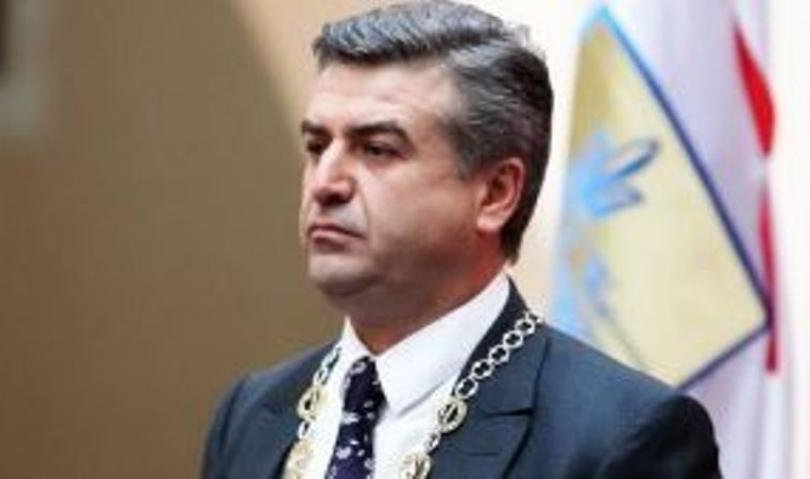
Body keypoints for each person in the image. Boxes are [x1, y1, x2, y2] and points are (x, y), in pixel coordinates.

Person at [202, 1, 721, 478]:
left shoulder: (624, 436)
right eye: (318, 146)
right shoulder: (249, 413)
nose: (325, 182)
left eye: (377, 149)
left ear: (495, 193)